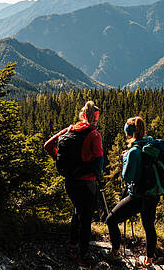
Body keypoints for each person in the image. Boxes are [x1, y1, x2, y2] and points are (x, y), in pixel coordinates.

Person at [43, 101, 104, 266]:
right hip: (87, 183)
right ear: (94, 118)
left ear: (82, 115)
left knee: (77, 213)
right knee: (85, 220)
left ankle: (72, 248)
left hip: (69, 181)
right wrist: (99, 178)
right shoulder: (94, 135)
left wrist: (58, 159)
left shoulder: (69, 130)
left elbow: (48, 145)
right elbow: (98, 161)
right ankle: (83, 256)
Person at [105, 116, 159, 268]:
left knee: (111, 219)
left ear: (129, 133)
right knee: (149, 225)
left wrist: (124, 159)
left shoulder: (134, 151)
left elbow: (126, 176)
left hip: (138, 195)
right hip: (152, 194)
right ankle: (148, 260)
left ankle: (115, 253)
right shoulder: (149, 143)